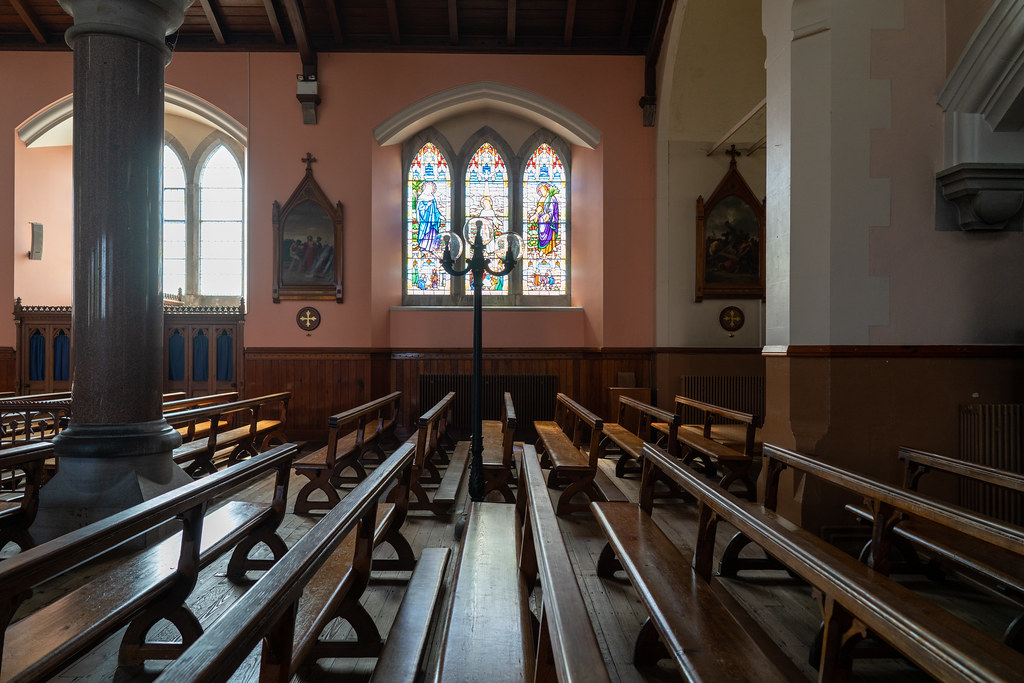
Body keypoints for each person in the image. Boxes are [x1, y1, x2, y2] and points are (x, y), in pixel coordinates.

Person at [530, 183, 559, 255]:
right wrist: (536, 214)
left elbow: (553, 209)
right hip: (542, 220)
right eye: (541, 191)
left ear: (547, 189)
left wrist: (549, 215)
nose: (542, 192)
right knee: (542, 233)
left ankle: (551, 246)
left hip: (550, 220)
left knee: (550, 233)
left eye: (543, 190)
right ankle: (542, 249)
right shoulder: (542, 199)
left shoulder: (552, 198)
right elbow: (539, 207)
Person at [416, 181, 443, 252]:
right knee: (425, 233)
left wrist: (440, 216)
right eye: (429, 189)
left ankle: (433, 247)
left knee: (433, 233)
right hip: (425, 221)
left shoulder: (432, 198)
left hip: (433, 221)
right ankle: (423, 246)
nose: (430, 190)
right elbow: (420, 210)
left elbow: (435, 210)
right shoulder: (421, 198)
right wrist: (427, 206)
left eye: (431, 189)